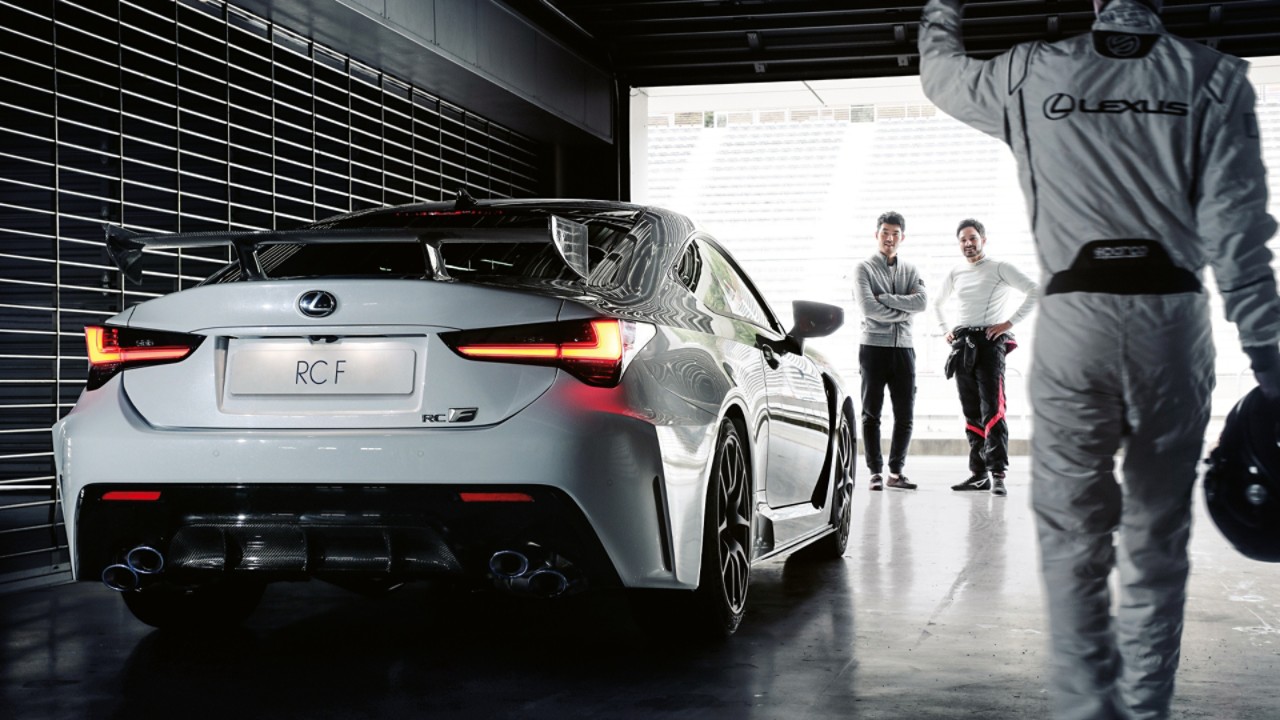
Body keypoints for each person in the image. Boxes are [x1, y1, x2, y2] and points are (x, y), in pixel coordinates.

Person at [919, 0, 1280, 718]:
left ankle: (1089, 712)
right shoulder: (1214, 78)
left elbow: (941, 76)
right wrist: (1270, 361)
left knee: (1073, 538)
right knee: (1156, 540)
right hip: (1173, 323)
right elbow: (1240, 237)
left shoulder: (1031, 69)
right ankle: (1145, 712)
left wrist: (941, 10)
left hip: (1076, 317)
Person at [932, 219, 1038, 498]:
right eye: (963, 240)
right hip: (962, 345)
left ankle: (998, 474)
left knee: (993, 409)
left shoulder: (1000, 267)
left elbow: (1034, 291)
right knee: (971, 410)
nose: (968, 243)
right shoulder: (956, 272)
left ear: (983, 239)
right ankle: (979, 475)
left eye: (972, 238)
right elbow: (937, 303)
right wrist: (946, 331)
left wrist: (1008, 323)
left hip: (990, 345)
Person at [854, 211, 928, 491]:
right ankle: (875, 472)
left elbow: (921, 303)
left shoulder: (911, 270)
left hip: (904, 350)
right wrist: (903, 310)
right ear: (877, 234)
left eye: (895, 233)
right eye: (885, 232)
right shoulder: (863, 269)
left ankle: (896, 472)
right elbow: (867, 308)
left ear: (902, 237)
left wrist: (886, 300)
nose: (890, 237)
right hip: (873, 347)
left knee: (905, 414)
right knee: (871, 412)